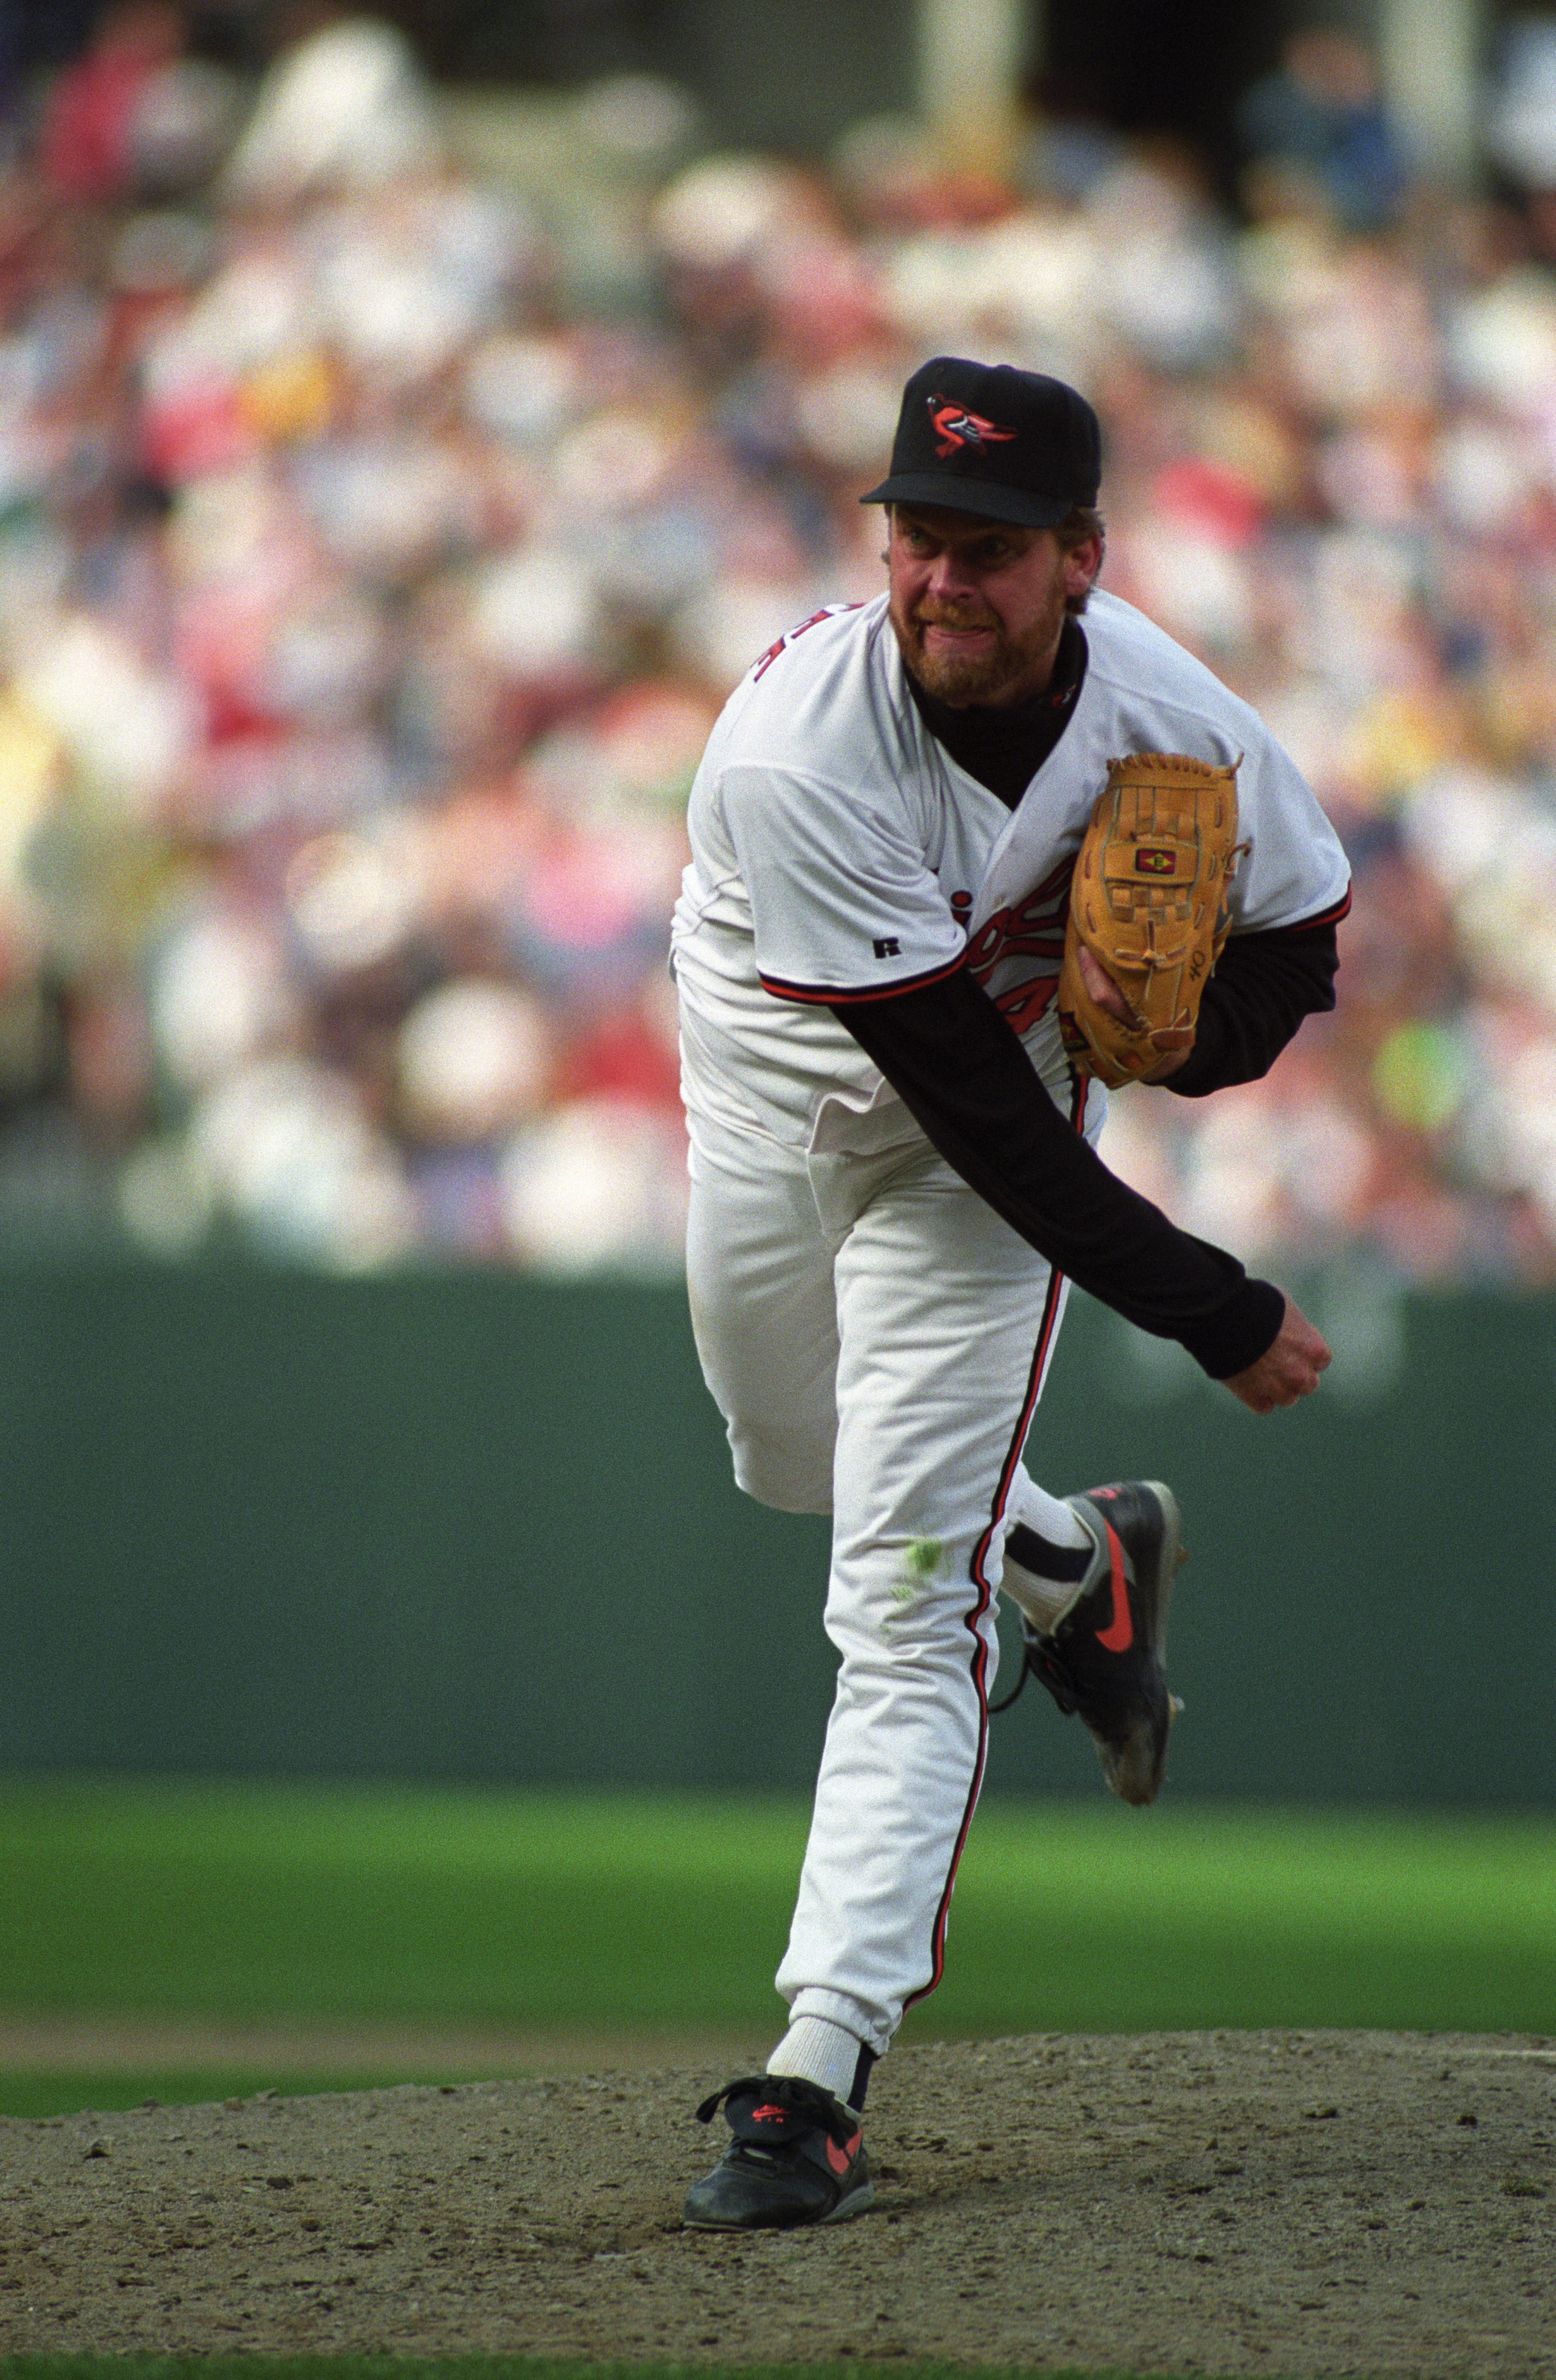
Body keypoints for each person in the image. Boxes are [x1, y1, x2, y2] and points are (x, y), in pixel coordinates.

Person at [669, 356, 1350, 2231]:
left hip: (984, 1159)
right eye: (916, 539)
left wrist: (1184, 1033)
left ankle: (815, 2068)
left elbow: (1299, 941)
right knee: (788, 1461)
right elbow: (957, 1096)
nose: (941, 582)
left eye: (986, 548)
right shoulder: (797, 750)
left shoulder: (1170, 715)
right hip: (781, 1101)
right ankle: (1072, 1559)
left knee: (894, 1593)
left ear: (1079, 558)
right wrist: (1209, 1302)